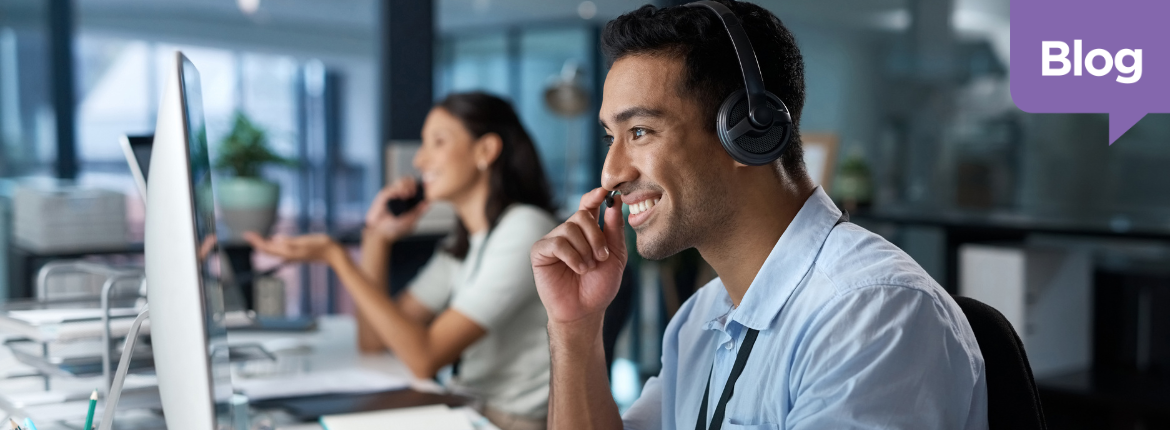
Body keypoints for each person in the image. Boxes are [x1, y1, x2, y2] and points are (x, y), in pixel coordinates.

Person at [528, 2, 988, 429]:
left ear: (749, 131)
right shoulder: (699, 320)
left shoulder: (871, 311)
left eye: (641, 131)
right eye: (612, 137)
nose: (611, 173)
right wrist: (575, 330)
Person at [246, 92, 558, 430]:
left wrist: (337, 257)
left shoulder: (525, 229)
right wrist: (376, 239)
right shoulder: (464, 242)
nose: (421, 161)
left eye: (438, 142)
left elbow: (424, 357)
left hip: (508, 422)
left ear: (485, 150)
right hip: (468, 408)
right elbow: (374, 340)